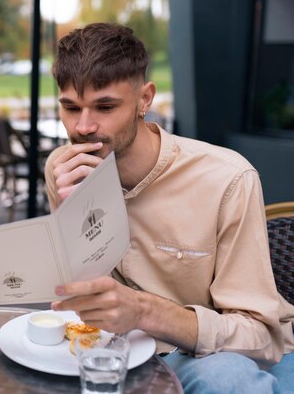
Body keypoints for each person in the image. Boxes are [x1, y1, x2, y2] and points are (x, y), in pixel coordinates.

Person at [45, 23, 294, 393]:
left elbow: (261, 337)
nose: (83, 127)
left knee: (226, 378)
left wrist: (145, 311)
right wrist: (72, 214)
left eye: (105, 106)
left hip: (213, 356)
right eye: (70, 108)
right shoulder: (63, 168)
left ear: (145, 99)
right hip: (119, 352)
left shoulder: (227, 179)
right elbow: (75, 296)